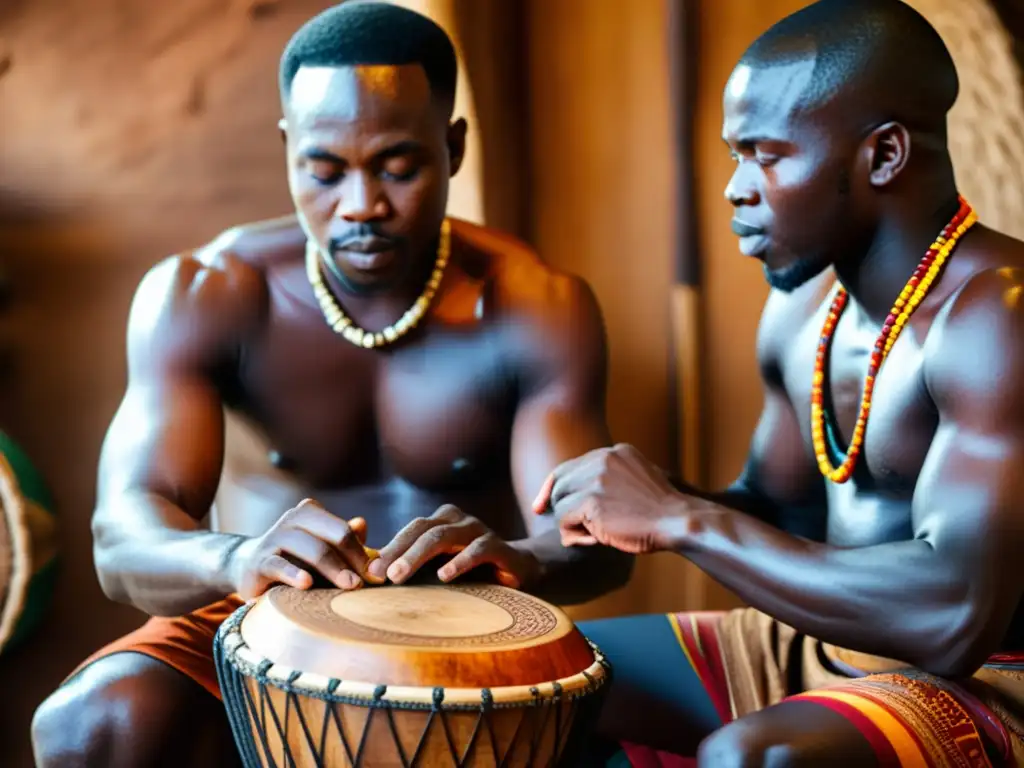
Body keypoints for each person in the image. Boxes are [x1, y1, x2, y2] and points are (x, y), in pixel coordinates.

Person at [30, 3, 633, 766]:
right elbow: (121, 539)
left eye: (398, 165)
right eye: (324, 170)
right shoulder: (207, 294)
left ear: (453, 148)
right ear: (288, 150)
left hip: (470, 634)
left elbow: (596, 545)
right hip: (255, 616)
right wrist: (235, 558)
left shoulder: (532, 306)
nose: (361, 206)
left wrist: (526, 558)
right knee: (96, 723)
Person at [538, 1, 1024, 765]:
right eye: (736, 155)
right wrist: (540, 542)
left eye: (765, 155)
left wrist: (679, 518)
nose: (735, 188)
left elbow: (956, 615)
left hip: (984, 684)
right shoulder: (806, 311)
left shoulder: (997, 316)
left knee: (757, 758)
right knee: (538, 678)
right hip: (821, 646)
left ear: (885, 155)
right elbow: (776, 512)